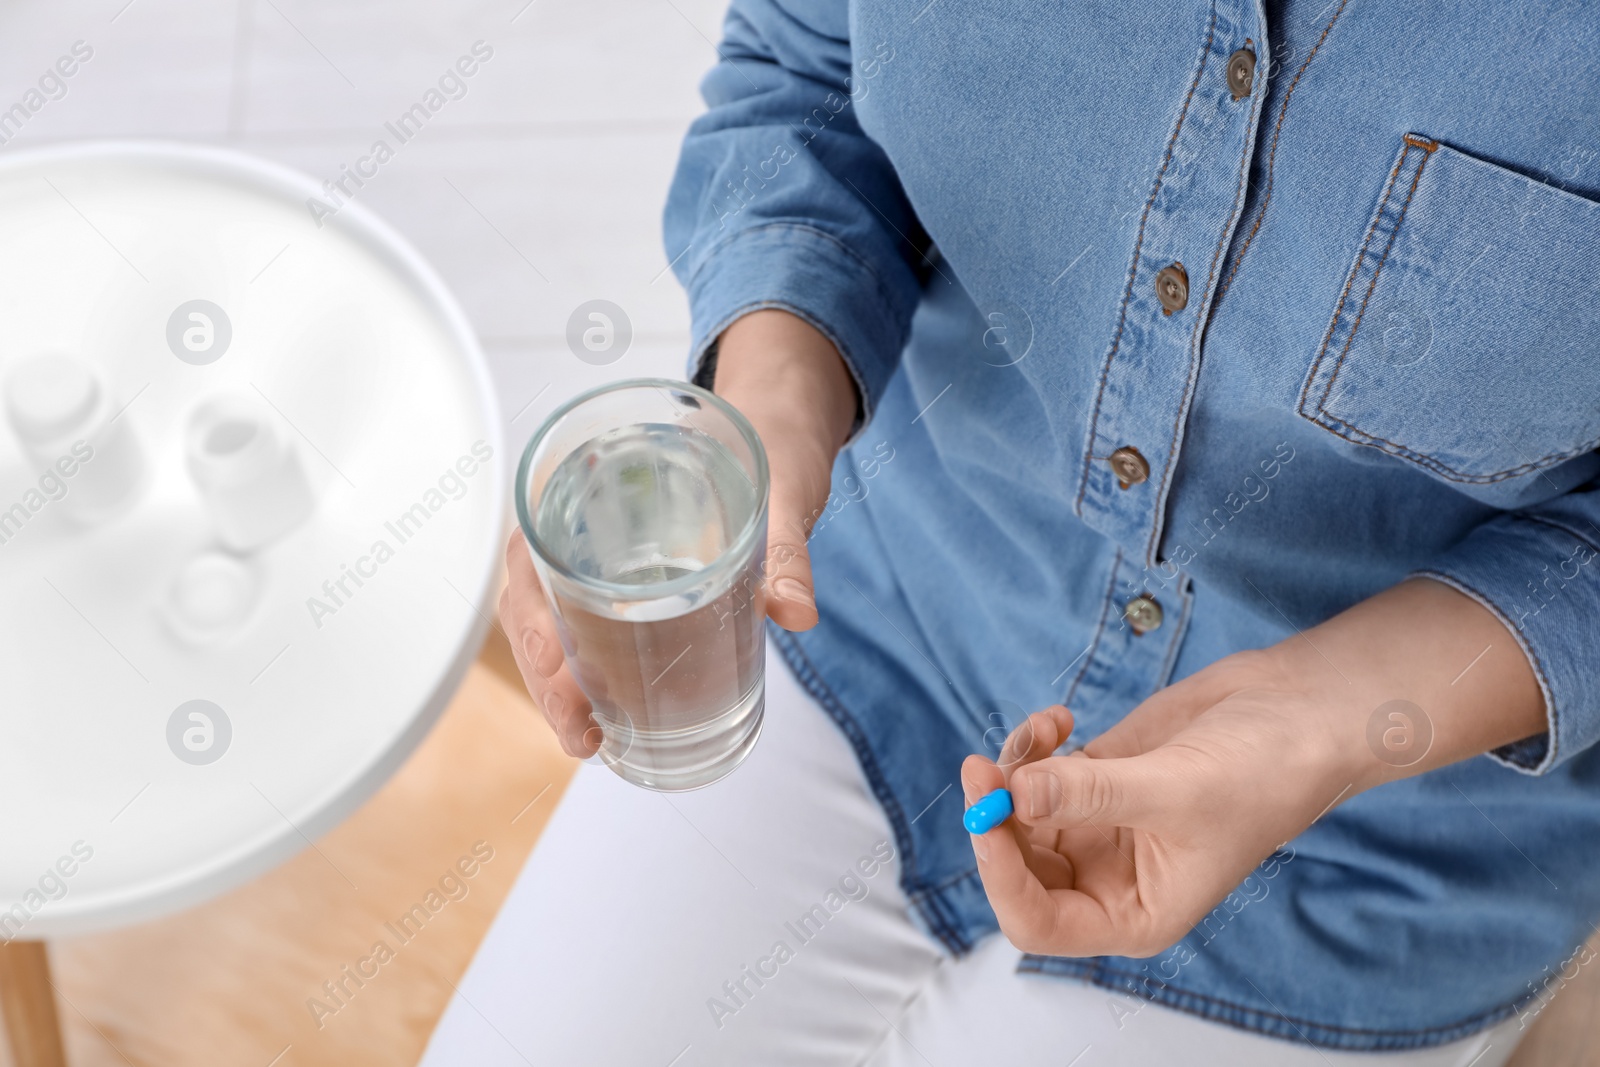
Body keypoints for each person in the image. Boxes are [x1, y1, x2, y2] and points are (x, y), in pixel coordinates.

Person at [425, 1, 1600, 1063]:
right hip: (886, 611)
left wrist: (1318, 722)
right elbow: (808, 67)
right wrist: (767, 422)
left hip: (1380, 846)